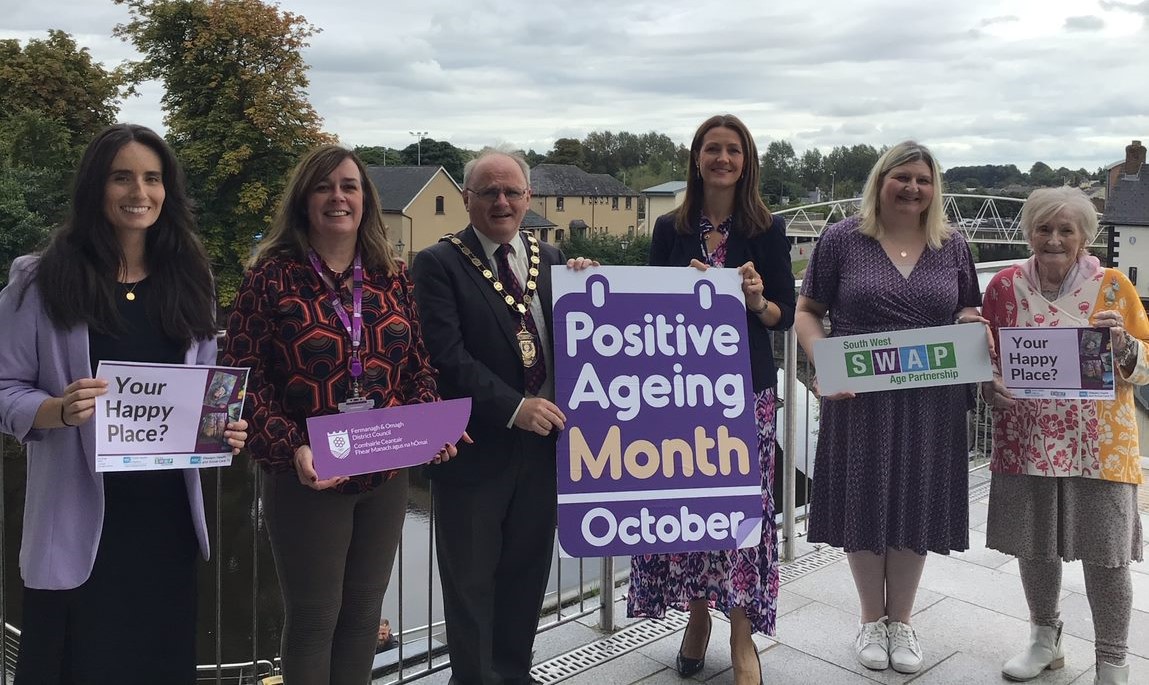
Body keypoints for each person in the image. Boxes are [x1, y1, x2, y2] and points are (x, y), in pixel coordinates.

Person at [0, 123, 248, 684]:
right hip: (77, 521)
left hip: (165, 522)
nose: (140, 192)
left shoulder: (192, 277)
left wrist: (223, 430)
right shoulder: (39, 279)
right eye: (122, 177)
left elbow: (205, 389)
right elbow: (5, 388)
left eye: (152, 178)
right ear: (96, 186)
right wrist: (57, 410)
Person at [223, 145, 456, 684]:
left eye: (349, 186)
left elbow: (419, 367)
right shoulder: (270, 278)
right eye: (324, 187)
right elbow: (244, 379)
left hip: (384, 471)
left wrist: (431, 425)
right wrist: (292, 447)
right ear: (303, 200)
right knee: (313, 619)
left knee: (363, 615)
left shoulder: (391, 276)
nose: (338, 197)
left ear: (365, 199)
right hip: (309, 474)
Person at [794, 141, 983, 674]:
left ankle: (901, 620)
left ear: (934, 188)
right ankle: (869, 619)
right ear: (881, 181)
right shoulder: (841, 239)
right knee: (864, 499)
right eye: (902, 177)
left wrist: (971, 325)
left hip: (931, 397)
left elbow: (967, 308)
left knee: (914, 501)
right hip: (858, 395)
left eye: (923, 179)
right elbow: (807, 311)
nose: (912, 188)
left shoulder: (952, 244)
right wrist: (824, 364)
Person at [412, 149, 594, 685]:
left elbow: (581, 336)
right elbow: (446, 356)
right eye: (488, 191)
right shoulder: (438, 263)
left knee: (526, 573)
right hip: (473, 449)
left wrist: (591, 288)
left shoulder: (552, 258)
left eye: (512, 191)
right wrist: (514, 408)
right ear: (467, 199)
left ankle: (514, 674)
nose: (501, 201)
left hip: (544, 448)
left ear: (528, 198)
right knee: (470, 582)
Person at [625, 114, 794, 685]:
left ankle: (742, 637)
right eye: (713, 148)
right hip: (680, 394)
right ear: (696, 158)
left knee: (742, 513)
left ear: (747, 162)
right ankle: (696, 619)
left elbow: (782, 316)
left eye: (734, 150)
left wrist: (754, 299)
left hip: (746, 393)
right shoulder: (669, 229)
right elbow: (647, 305)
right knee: (690, 511)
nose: (723, 158)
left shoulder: (767, 229)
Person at [980, 187, 1147, 685]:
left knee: (1107, 556)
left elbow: (1147, 363)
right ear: (1029, 232)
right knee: (1035, 545)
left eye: (1065, 230)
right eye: (1043, 228)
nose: (1053, 239)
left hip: (1100, 444)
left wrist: (1124, 346)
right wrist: (989, 385)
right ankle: (1044, 639)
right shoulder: (1004, 287)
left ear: (1084, 236)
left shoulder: (1114, 287)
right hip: (1026, 437)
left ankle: (1113, 661)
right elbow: (987, 357)